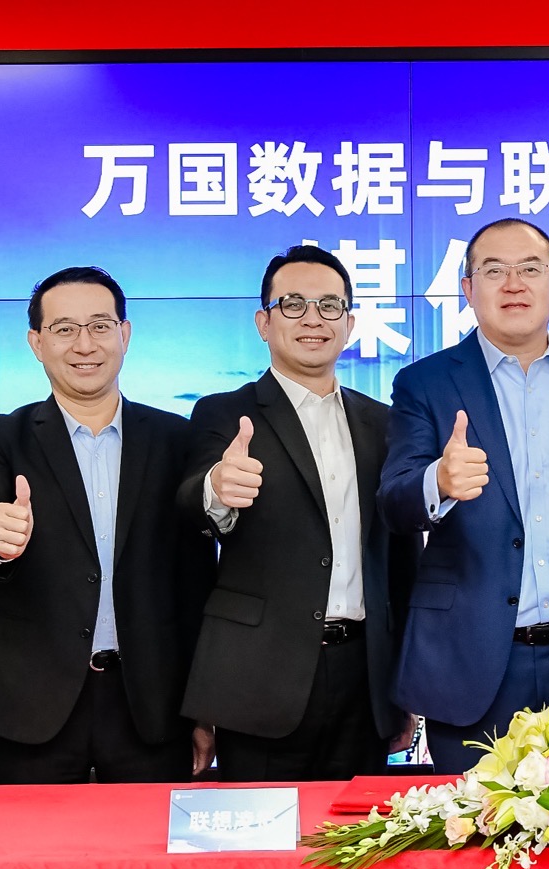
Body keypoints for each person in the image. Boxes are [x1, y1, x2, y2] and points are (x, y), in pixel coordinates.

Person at [375, 219, 549, 771]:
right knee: (474, 819)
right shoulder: (424, 383)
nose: (514, 284)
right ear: (467, 287)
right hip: (472, 659)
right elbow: (393, 503)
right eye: (494, 270)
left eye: (530, 269)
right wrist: (439, 481)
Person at [0, 266, 215, 783]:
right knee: (30, 839)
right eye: (64, 329)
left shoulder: (176, 439)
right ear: (36, 342)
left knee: (145, 839)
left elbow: (197, 582)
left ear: (125, 334)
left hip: (153, 704)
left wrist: (204, 706)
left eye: (99, 326)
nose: (84, 344)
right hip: (30, 704)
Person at [177, 245, 415, 780]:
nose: (313, 319)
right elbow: (189, 507)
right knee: (262, 832)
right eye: (293, 304)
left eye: (330, 306)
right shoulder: (224, 412)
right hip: (259, 678)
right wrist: (218, 488)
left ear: (349, 324)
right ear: (264, 323)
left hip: (364, 678)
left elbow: (401, 561)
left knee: (358, 830)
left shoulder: (383, 423)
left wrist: (404, 687)